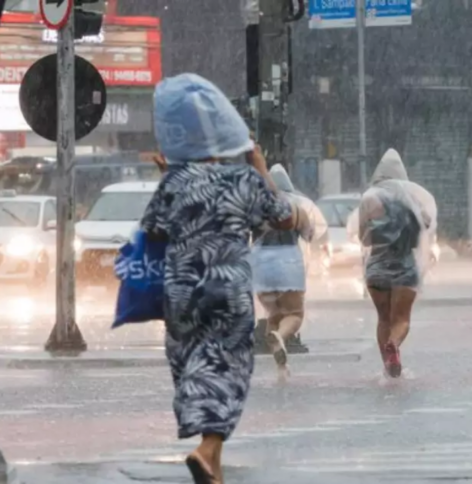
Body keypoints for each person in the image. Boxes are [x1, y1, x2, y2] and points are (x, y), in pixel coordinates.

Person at [140, 73, 296, 484]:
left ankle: (213, 464)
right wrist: (259, 165)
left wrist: (171, 180)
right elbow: (283, 217)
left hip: (181, 290)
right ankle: (209, 448)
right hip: (226, 288)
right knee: (229, 368)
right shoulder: (241, 180)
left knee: (192, 362)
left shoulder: (174, 183)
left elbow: (153, 230)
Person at [357, 148, 434, 378]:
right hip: (405, 266)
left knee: (383, 318)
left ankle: (387, 366)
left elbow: (364, 236)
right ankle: (394, 345)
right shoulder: (411, 198)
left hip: (377, 267)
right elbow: (426, 224)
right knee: (401, 319)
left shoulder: (369, 199)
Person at [251, 165, 326, 376]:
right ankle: (282, 337)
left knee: (273, 314)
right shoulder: (295, 207)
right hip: (287, 262)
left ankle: (281, 367)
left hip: (261, 266)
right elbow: (310, 234)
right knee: (294, 314)